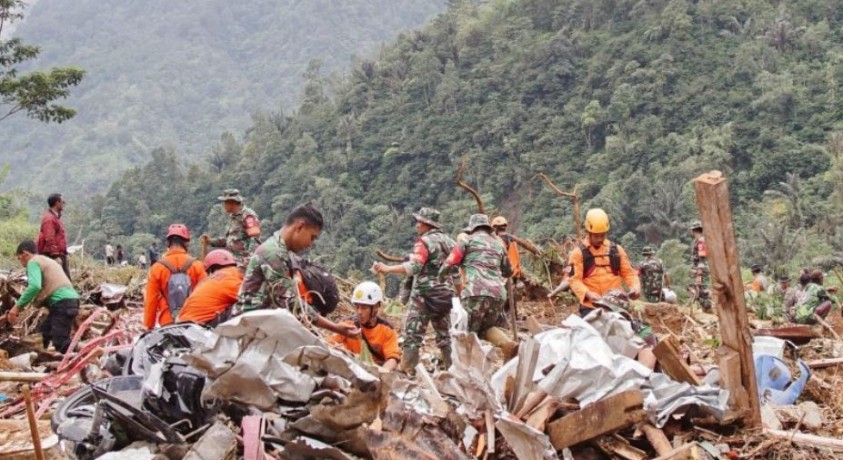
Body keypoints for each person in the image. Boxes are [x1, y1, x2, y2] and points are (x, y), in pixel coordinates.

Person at [233, 203, 359, 338]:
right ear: (300, 227)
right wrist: (335, 327)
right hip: (247, 328)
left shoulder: (282, 252)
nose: (310, 244)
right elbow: (291, 303)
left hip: (261, 327)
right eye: (312, 237)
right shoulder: (272, 253)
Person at [372, 207, 456, 372]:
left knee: (413, 334)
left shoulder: (423, 242)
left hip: (423, 296)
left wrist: (388, 269)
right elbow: (455, 269)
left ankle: (408, 370)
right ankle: (453, 370)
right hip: (444, 295)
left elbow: (415, 267)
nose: (417, 225)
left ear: (427, 224)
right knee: (445, 336)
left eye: (419, 222)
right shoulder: (450, 242)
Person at [439, 214, 517, 357]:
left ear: (472, 228)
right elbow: (508, 271)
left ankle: (469, 364)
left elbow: (449, 264)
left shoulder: (466, 241)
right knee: (486, 328)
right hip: (498, 294)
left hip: (474, 292)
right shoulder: (499, 245)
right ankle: (507, 343)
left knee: (466, 331)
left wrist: (441, 277)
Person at [7, 240, 80, 354]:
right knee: (42, 335)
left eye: (19, 258)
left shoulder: (33, 262)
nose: (20, 262)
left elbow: (35, 286)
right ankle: (39, 357)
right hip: (70, 300)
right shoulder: (47, 260)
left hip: (62, 302)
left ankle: (80, 359)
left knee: (60, 342)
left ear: (25, 254)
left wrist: (17, 307)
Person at [568, 208, 641, 317]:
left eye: (602, 235)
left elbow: (629, 273)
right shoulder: (578, 254)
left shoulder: (616, 250)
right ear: (589, 232)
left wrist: (635, 287)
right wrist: (587, 293)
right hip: (591, 307)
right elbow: (574, 280)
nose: (599, 239)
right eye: (596, 235)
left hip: (616, 306)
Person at [143, 225, 207, 329]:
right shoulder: (197, 265)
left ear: (168, 243)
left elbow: (151, 301)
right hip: (192, 323)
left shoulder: (156, 268)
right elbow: (204, 296)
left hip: (167, 324)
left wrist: (148, 326)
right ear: (186, 243)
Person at [330, 282, 401, 372]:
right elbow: (330, 343)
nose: (359, 312)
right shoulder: (347, 324)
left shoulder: (387, 330)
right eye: (357, 307)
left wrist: (383, 371)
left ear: (376, 307)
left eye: (364, 308)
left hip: (374, 371)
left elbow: (392, 358)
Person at [593, 290, 658, 369]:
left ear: (621, 314)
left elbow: (646, 368)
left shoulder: (641, 331)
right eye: (600, 308)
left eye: (607, 310)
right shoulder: (596, 326)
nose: (602, 312)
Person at [178, 250, 243, 326]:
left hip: (183, 324)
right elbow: (248, 296)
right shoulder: (231, 276)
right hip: (201, 326)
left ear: (210, 270)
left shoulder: (207, 281)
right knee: (246, 305)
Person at [202, 189, 261, 267]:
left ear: (231, 202)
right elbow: (230, 240)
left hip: (244, 263)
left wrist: (249, 261)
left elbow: (255, 238)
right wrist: (210, 242)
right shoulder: (234, 217)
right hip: (234, 261)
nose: (224, 205)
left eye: (225, 203)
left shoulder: (247, 215)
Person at [36, 193, 70, 278]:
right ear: (57, 203)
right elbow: (49, 238)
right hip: (52, 255)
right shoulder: (49, 219)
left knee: (63, 279)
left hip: (59, 254)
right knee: (63, 280)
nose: (64, 203)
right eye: (62, 202)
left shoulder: (55, 218)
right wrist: (56, 256)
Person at [689, 221, 712, 312]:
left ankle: (708, 309)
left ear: (693, 230)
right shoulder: (698, 241)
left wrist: (699, 274)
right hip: (699, 269)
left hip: (701, 270)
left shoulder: (701, 241)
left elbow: (702, 259)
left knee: (703, 291)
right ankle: (705, 309)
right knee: (697, 289)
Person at [491, 216, 521, 280]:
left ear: (495, 228)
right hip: (511, 274)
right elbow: (516, 260)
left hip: (501, 275)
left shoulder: (495, 241)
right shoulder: (512, 241)